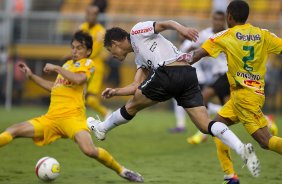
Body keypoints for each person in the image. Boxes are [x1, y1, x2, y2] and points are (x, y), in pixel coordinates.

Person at [87, 20, 260, 177]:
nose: (112, 55)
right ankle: (240, 148)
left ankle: (102, 128)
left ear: (115, 43)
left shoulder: (136, 31)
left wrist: (182, 29)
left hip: (168, 71)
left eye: (111, 51)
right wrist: (115, 92)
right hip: (187, 74)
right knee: (205, 125)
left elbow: (165, 24)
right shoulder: (140, 57)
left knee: (133, 105)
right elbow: (135, 86)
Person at [0, 31, 143, 183]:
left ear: (88, 51)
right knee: (13, 130)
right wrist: (31, 76)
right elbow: (55, 87)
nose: (75, 51)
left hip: (73, 119)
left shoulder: (88, 64)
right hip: (51, 119)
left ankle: (122, 171)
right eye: (73, 47)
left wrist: (57, 68)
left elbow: (79, 79)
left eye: (79, 48)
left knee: (89, 150)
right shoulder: (67, 65)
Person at [187, 0, 282, 180]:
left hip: (245, 97)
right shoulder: (263, 34)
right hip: (249, 95)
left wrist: (173, 66)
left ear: (229, 17)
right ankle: (230, 176)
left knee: (265, 141)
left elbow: (196, 55)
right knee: (216, 128)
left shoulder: (226, 35)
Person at [169, 11, 227, 133]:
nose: (218, 22)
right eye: (215, 19)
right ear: (212, 20)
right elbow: (190, 47)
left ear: (225, 20)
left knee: (202, 100)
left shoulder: (229, 35)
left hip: (226, 73)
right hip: (216, 76)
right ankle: (202, 130)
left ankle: (202, 131)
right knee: (229, 107)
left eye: (220, 19)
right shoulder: (205, 34)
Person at [79, 5, 111, 119]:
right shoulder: (82, 28)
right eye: (89, 14)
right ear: (86, 14)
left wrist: (78, 55)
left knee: (91, 99)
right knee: (78, 97)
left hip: (95, 68)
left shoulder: (101, 32)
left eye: (94, 14)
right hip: (81, 66)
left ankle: (106, 113)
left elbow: (94, 51)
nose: (91, 16)